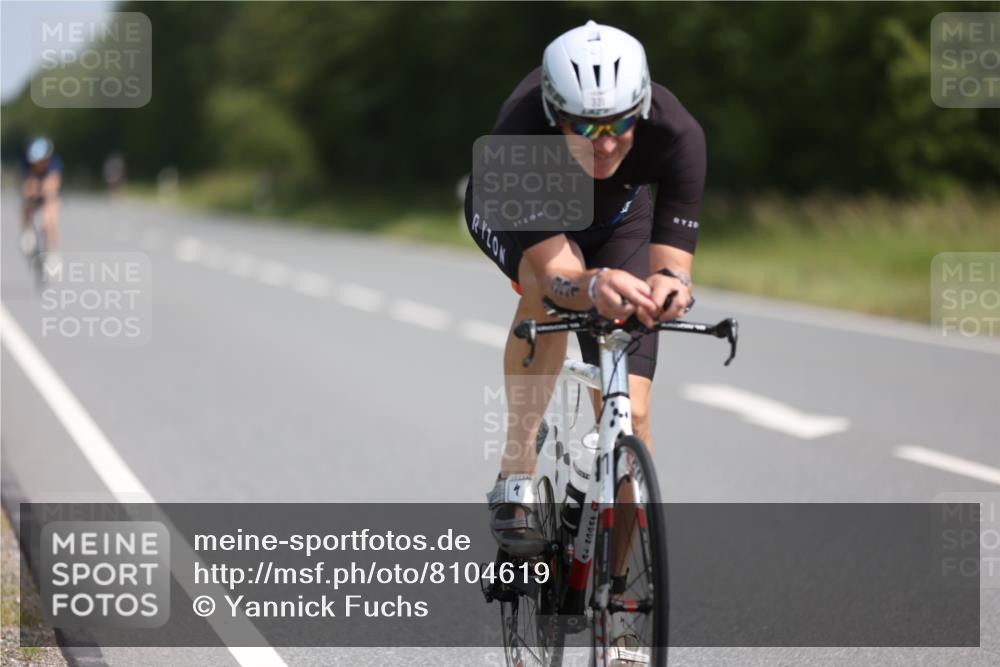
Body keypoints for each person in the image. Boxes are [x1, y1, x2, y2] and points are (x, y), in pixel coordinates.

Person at [466, 21, 705, 554]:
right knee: (544, 291)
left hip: (619, 222)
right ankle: (516, 473)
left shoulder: (677, 133)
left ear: (641, 108)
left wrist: (670, 288)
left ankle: (620, 607)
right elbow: (560, 274)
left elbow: (673, 262)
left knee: (632, 415)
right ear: (554, 114)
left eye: (620, 123)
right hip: (527, 212)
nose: (605, 141)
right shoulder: (519, 135)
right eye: (585, 127)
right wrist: (594, 283)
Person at [20, 137, 63, 268]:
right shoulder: (27, 163)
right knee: (26, 204)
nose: (38, 164)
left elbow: (54, 183)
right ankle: (27, 231)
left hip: (48, 193)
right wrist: (31, 191)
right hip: (33, 191)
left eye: (41, 161)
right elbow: (26, 185)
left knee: (49, 222)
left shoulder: (54, 163)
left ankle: (52, 253)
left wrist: (45, 189)